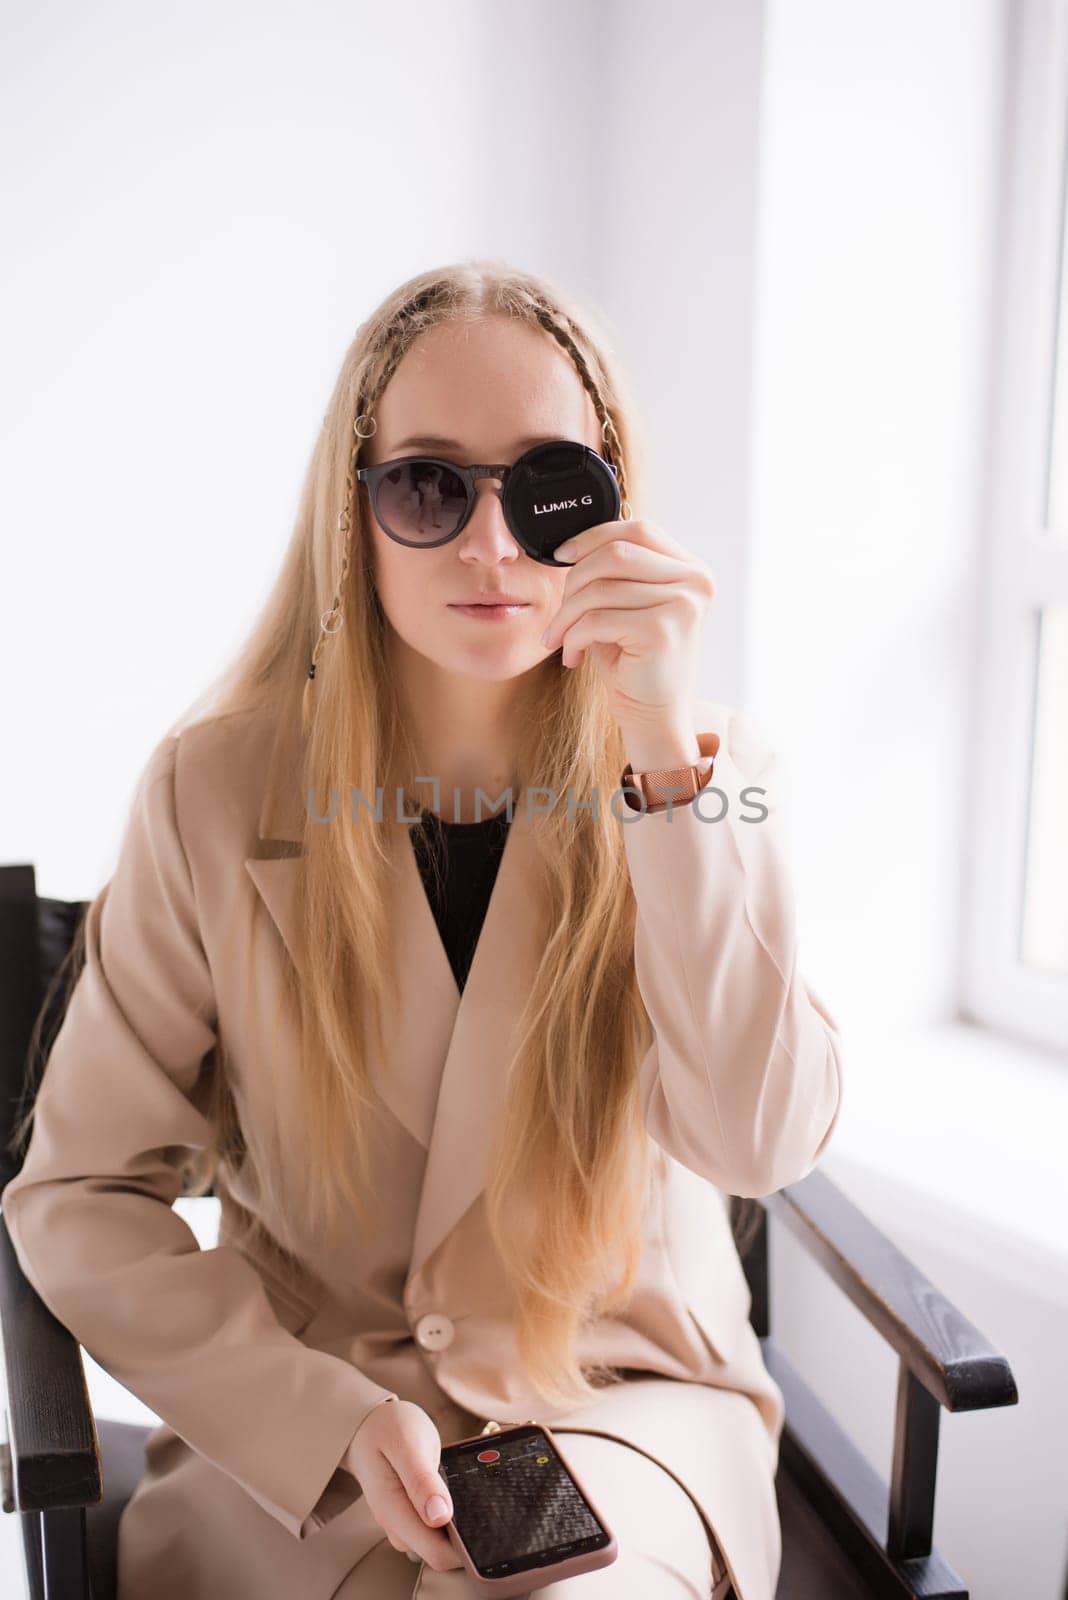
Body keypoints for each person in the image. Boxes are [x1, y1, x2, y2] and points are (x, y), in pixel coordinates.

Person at [1, 260, 844, 1600]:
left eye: (546, 483)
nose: (492, 545)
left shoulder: (708, 770)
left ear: (607, 498)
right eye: (429, 485)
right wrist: (316, 1416)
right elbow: (82, 1197)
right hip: (306, 1440)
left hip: (616, 1404)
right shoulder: (214, 793)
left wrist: (663, 763)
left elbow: (757, 1142)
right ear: (357, 514)